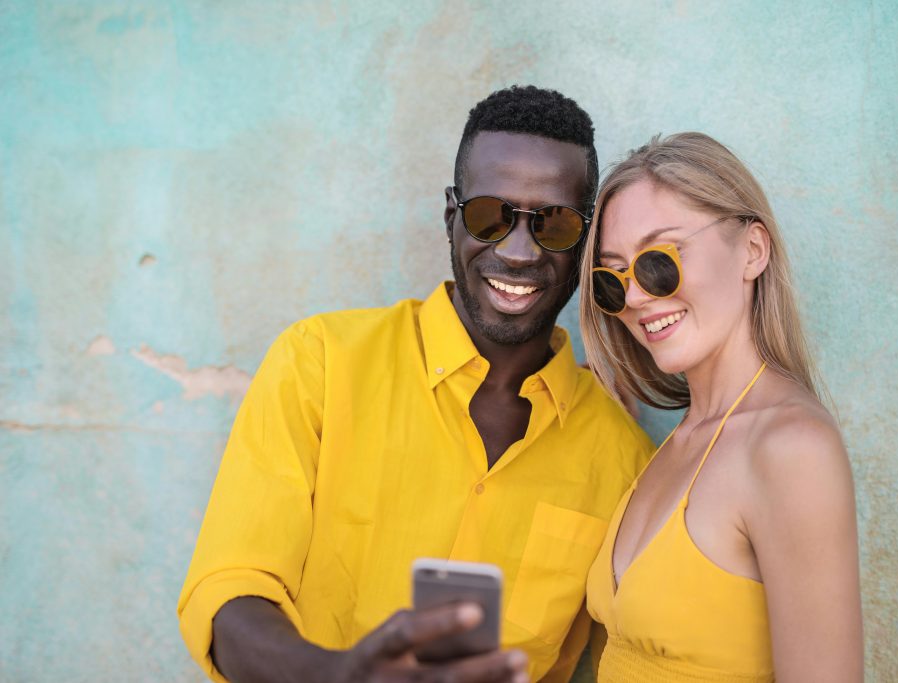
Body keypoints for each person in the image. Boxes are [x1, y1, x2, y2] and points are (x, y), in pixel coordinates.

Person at [177, 85, 653, 683]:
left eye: (553, 223)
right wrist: (338, 675)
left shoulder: (621, 458)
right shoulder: (321, 363)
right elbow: (227, 592)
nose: (519, 251)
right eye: (490, 215)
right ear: (452, 216)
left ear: (583, 241)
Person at [579, 133, 863, 682]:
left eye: (658, 260)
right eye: (612, 280)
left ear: (753, 250)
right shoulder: (672, 447)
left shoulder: (790, 449)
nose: (634, 296)